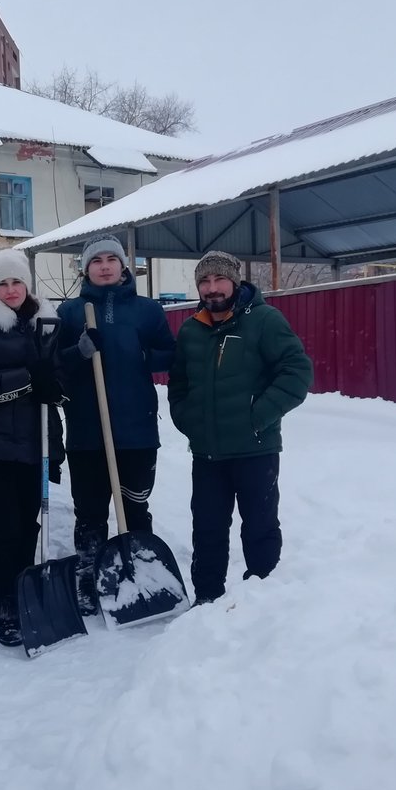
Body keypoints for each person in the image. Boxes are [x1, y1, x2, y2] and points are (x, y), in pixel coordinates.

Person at [167, 251, 313, 603]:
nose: (212, 288)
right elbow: (178, 384)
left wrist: (257, 417)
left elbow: (297, 372)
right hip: (207, 454)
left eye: (219, 280)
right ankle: (206, 601)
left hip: (255, 450)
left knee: (260, 528)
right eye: (204, 281)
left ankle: (262, 602)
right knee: (207, 530)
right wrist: (189, 421)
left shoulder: (264, 321)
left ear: (235, 281)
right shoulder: (191, 330)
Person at [56, 233, 176, 615]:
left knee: (135, 507)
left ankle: (140, 569)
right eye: (96, 260)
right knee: (89, 511)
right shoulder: (70, 312)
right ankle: (89, 575)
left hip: (137, 429)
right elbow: (54, 365)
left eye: (112, 259)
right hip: (87, 431)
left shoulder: (148, 310)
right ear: (85, 268)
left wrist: (142, 352)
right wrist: (79, 351)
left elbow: (168, 355)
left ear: (124, 266)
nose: (105, 265)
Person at [0, 249, 64, 646]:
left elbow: (56, 376)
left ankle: (23, 587)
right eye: (2, 283)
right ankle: (1, 595)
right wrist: (28, 377)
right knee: (6, 527)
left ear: (27, 285)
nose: (10, 290)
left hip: (36, 444)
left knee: (29, 525)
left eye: (16, 282)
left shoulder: (45, 324)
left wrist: (60, 375)